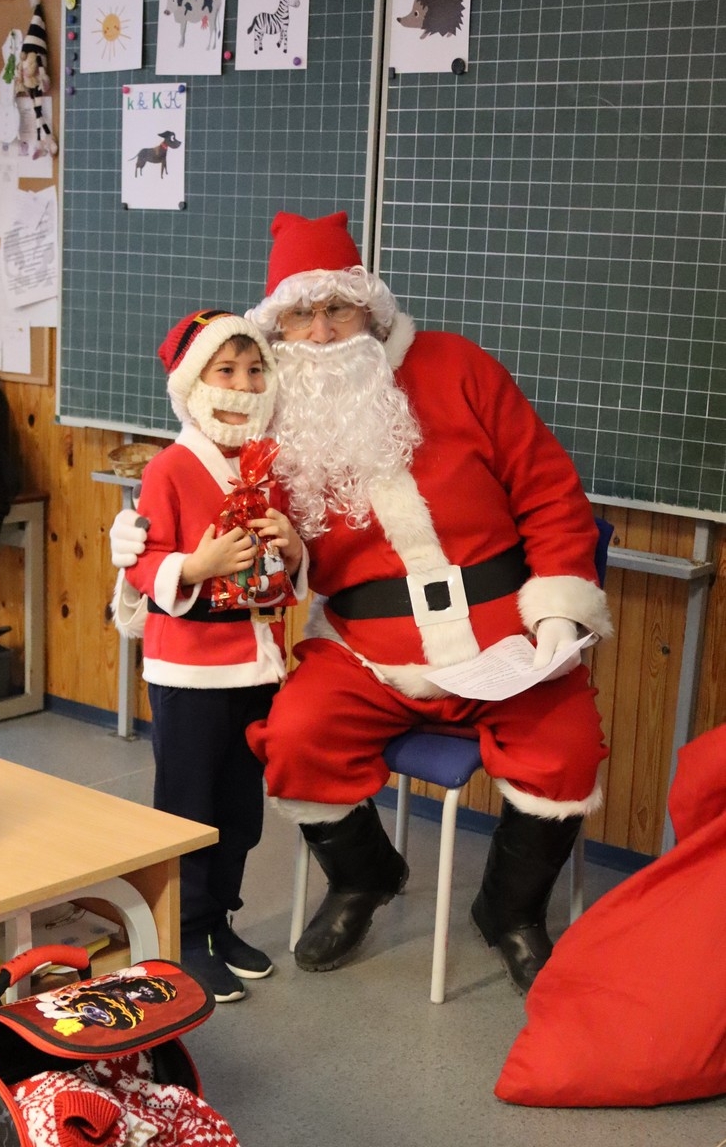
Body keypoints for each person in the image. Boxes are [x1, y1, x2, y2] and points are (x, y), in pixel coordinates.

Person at [111, 212, 614, 996]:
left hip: (503, 631)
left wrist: (554, 615)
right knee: (294, 736)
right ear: (277, 327)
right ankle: (364, 878)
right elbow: (205, 473)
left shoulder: (458, 366)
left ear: (370, 309)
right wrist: (142, 538)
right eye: (300, 316)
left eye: (337, 309)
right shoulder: (272, 411)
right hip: (364, 645)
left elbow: (550, 491)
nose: (320, 332)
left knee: (568, 747)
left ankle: (510, 909)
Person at [117, 308, 306, 1002]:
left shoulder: (265, 469)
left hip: (256, 666)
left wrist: (293, 547)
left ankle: (219, 920)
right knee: (188, 807)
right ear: (195, 382)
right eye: (226, 370)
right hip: (190, 671)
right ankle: (182, 935)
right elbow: (145, 565)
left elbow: (285, 567)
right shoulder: (169, 468)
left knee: (240, 809)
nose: (243, 384)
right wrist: (197, 568)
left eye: (255, 370)